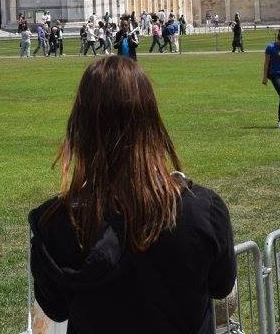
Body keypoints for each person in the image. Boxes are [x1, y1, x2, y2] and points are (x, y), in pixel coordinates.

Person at [28, 56, 236, 334]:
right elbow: (222, 285)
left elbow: (55, 307)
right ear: (151, 122)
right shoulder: (202, 210)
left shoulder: (55, 222)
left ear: (80, 126)